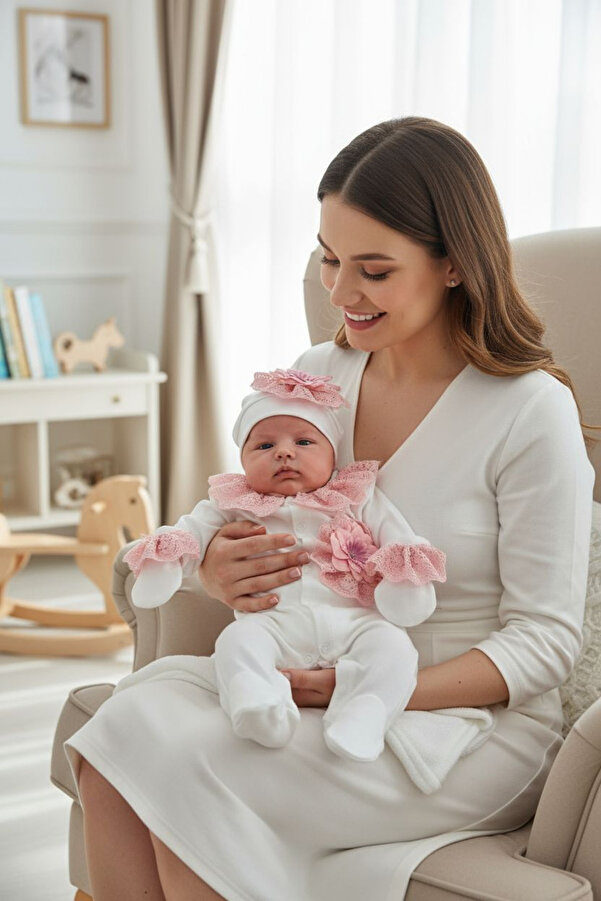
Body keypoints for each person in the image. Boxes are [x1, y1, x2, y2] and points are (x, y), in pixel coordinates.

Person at [64, 117, 595, 901]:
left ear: (453, 263)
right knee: (112, 739)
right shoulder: (318, 378)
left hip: (464, 722)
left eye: (373, 270)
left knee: (186, 778)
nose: (341, 293)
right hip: (300, 671)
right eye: (328, 259)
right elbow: (243, 514)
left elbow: (547, 642)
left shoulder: (528, 409)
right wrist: (218, 570)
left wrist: (365, 687)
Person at [122, 367, 446, 762]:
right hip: (273, 623)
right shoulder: (234, 502)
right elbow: (191, 531)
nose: (284, 452)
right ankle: (258, 704)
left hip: (355, 621)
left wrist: (404, 579)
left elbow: (396, 534)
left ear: (333, 454)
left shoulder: (354, 495)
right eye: (262, 447)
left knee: (394, 648)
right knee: (235, 643)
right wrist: (169, 559)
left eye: (305, 441)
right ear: (241, 461)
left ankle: (363, 716)